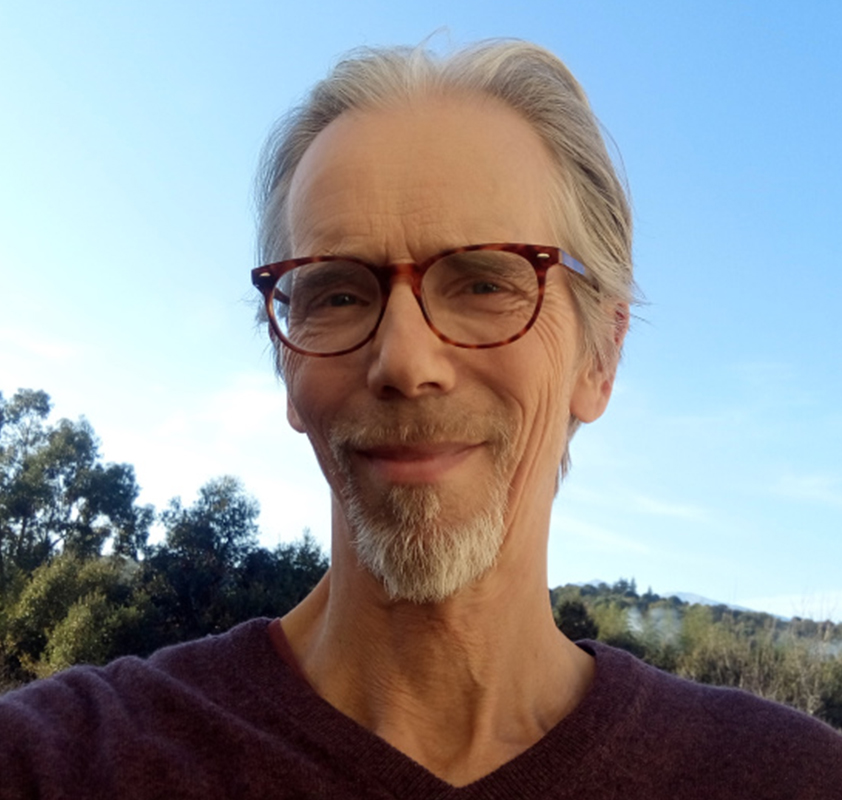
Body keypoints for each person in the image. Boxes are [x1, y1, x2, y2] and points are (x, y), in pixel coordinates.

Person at [1, 40, 841, 799]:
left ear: (600, 357)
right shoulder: (58, 764)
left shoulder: (789, 778)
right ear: (288, 365)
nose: (405, 361)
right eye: (337, 293)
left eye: (485, 282)